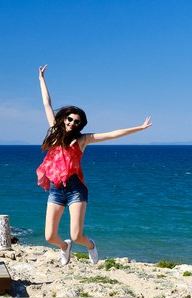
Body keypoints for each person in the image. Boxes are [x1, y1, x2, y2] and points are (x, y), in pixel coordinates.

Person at [37, 64, 152, 266]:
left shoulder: (83, 140)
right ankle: (64, 247)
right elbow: (47, 103)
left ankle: (91, 245)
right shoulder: (55, 133)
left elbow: (112, 134)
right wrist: (41, 79)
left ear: (80, 125)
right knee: (49, 237)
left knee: (77, 235)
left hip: (75, 190)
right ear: (64, 119)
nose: (72, 123)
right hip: (56, 189)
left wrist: (139, 128)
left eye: (77, 122)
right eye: (70, 119)